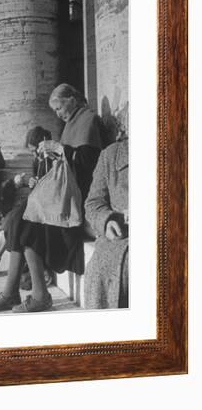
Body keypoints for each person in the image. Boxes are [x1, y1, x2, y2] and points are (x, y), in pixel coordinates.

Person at [0, 84, 105, 313]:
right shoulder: (71, 124)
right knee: (17, 219)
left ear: (72, 99)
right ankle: (14, 293)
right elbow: (68, 158)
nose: (58, 114)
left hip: (76, 200)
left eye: (59, 108)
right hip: (62, 195)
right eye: (55, 111)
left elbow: (91, 163)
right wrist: (54, 153)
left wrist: (59, 149)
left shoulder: (89, 120)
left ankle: (37, 295)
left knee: (26, 225)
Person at [0, 127, 51, 280]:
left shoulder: (52, 159)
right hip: (36, 203)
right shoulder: (39, 160)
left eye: (36, 151)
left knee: (14, 220)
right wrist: (31, 182)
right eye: (32, 152)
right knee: (10, 220)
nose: (35, 155)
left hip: (47, 209)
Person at [84, 108, 129, 309]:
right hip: (117, 239)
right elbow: (93, 203)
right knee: (99, 272)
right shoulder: (110, 155)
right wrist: (107, 220)